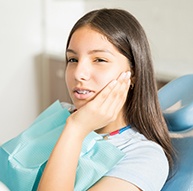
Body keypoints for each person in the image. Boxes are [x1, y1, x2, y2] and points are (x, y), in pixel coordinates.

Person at [37, 8, 174, 191]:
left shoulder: (145, 157)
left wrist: (76, 129)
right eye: (72, 59)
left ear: (133, 73)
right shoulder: (60, 116)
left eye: (99, 60)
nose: (79, 73)